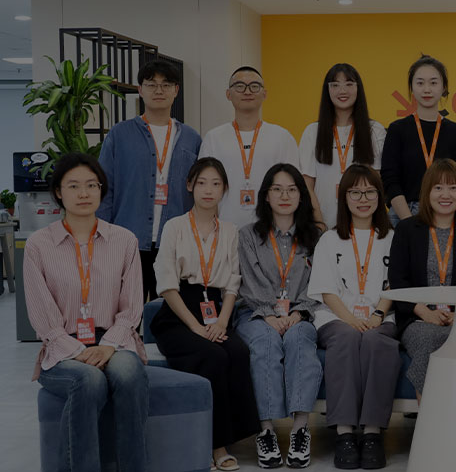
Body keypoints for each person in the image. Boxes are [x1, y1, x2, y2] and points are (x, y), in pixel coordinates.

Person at [25, 153, 149, 472]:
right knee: (89, 379)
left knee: (128, 373)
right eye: (74, 186)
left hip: (114, 341)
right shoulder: (39, 245)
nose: (84, 193)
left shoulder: (124, 240)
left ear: (101, 189)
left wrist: (108, 345)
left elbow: (132, 306)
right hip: (62, 347)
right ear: (58, 192)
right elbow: (42, 314)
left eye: (92, 185)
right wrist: (77, 350)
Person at [152, 157, 259, 471]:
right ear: (190, 186)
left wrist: (223, 321)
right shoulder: (174, 226)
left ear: (224, 189)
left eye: (215, 184)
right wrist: (195, 327)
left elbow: (232, 283)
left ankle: (236, 435)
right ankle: (215, 445)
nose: (208, 190)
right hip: (178, 315)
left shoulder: (230, 231)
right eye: (201, 183)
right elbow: (167, 285)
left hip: (215, 311)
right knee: (212, 355)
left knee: (237, 351)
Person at [309, 164, 400, 470]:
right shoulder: (330, 239)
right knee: (347, 338)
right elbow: (326, 291)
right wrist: (350, 318)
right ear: (344, 197)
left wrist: (378, 314)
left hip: (380, 317)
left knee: (377, 342)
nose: (363, 199)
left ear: (380, 196)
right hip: (336, 318)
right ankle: (345, 434)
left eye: (370, 192)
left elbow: (395, 284)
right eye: (355, 192)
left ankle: (373, 433)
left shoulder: (392, 237)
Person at [235, 164, 322, 469]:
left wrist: (298, 313)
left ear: (301, 195)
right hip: (255, 313)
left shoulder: (317, 237)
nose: (285, 196)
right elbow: (249, 280)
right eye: (277, 189)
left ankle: (300, 430)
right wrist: (269, 315)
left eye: (292, 189)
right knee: (265, 342)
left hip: (302, 314)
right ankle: (266, 432)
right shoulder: (248, 236)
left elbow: (319, 283)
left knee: (300, 340)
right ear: (266, 195)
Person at [97, 59, 201, 301]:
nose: (159, 90)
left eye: (166, 85)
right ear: (140, 90)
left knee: (168, 311)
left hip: (176, 242)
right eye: (151, 84)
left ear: (176, 90)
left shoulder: (191, 138)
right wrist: (101, 235)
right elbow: (103, 188)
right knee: (126, 308)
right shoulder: (119, 134)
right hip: (127, 238)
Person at [390, 159, 456, 395]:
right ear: (427, 192)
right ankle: (428, 414)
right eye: (438, 187)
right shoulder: (407, 230)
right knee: (430, 340)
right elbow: (398, 281)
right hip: (417, 319)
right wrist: (425, 312)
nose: (446, 195)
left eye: (453, 187)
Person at [199, 66, 300, 228]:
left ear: (264, 94)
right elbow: (205, 189)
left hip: (271, 230)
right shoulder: (214, 138)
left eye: (254, 86)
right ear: (228, 94)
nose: (247, 92)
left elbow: (294, 187)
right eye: (240, 86)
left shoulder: (282, 137)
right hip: (224, 228)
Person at [381, 55, 456, 225]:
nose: (427, 89)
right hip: (404, 213)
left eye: (433, 83)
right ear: (412, 87)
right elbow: (390, 179)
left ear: (444, 87)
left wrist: (445, 213)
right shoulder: (397, 129)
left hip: (446, 212)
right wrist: (408, 222)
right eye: (420, 83)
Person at [299, 63, 387, 229]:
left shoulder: (375, 130)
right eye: (335, 85)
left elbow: (377, 183)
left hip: (364, 225)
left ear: (358, 88)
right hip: (323, 224)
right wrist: (319, 224)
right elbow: (306, 186)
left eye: (349, 84)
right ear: (327, 90)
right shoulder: (313, 131)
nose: (342, 90)